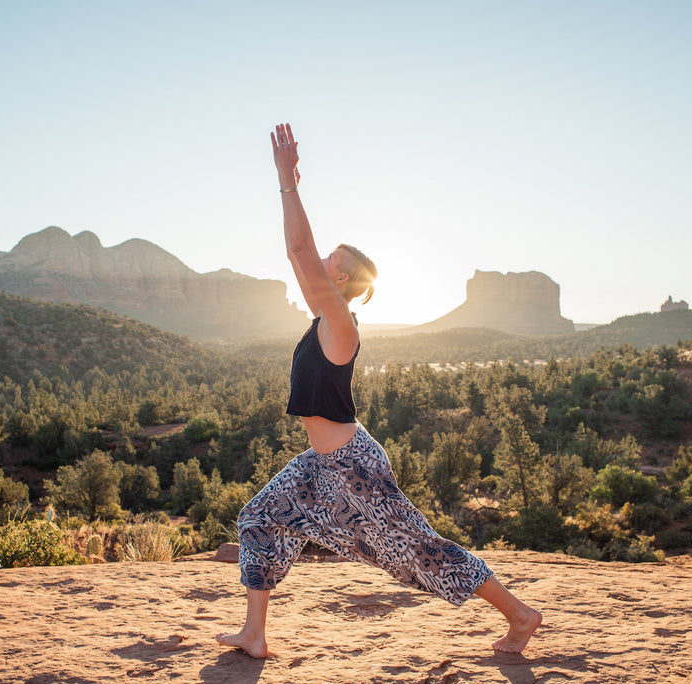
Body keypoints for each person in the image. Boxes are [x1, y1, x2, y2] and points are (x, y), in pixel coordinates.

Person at [216, 123, 541, 659]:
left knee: (421, 551)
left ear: (342, 281)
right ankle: (254, 633)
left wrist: (286, 181)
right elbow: (301, 257)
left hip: (354, 468)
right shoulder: (325, 314)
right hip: (320, 465)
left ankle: (521, 615)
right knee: (258, 516)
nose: (319, 265)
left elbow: (299, 248)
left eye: (330, 262)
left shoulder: (340, 322)